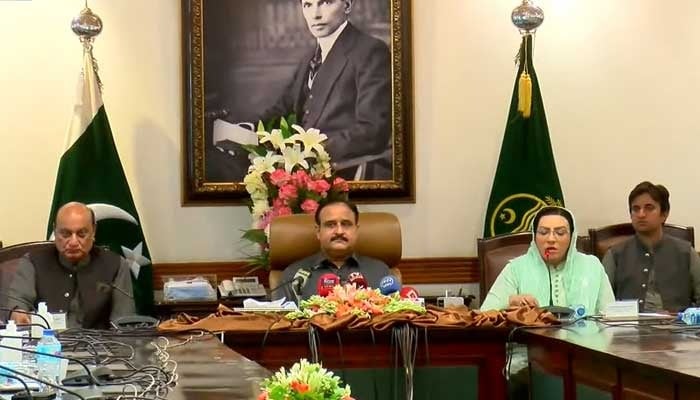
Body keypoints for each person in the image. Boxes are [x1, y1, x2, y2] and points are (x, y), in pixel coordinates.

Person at [259, 0, 392, 180]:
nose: (315, 14)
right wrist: (248, 130)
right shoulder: (308, 59)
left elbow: (373, 131)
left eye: (326, 2)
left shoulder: (370, 51)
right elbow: (282, 109)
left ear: (347, 5)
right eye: (308, 5)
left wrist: (310, 151)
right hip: (301, 174)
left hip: (343, 174)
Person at [6, 202, 136, 329]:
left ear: (94, 231)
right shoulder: (33, 262)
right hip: (45, 346)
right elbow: (18, 302)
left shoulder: (115, 265)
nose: (73, 242)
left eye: (81, 234)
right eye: (66, 234)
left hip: (100, 347)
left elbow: (123, 323)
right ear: (55, 231)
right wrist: (17, 314)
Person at [481, 206, 614, 315]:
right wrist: (510, 302)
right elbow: (485, 314)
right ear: (534, 236)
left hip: (584, 344)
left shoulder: (592, 266)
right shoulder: (516, 268)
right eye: (543, 232)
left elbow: (610, 316)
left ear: (572, 237)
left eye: (560, 233)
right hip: (531, 344)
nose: (551, 239)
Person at [602, 181, 700, 313]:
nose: (641, 214)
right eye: (635, 209)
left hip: (677, 329)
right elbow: (602, 303)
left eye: (649, 208)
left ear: (664, 214)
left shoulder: (686, 252)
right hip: (627, 330)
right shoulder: (615, 255)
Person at [275, 199, 391, 302]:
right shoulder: (294, 275)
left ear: (356, 230)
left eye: (346, 224)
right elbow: (281, 322)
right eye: (330, 225)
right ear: (318, 231)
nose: (339, 231)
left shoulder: (380, 272)